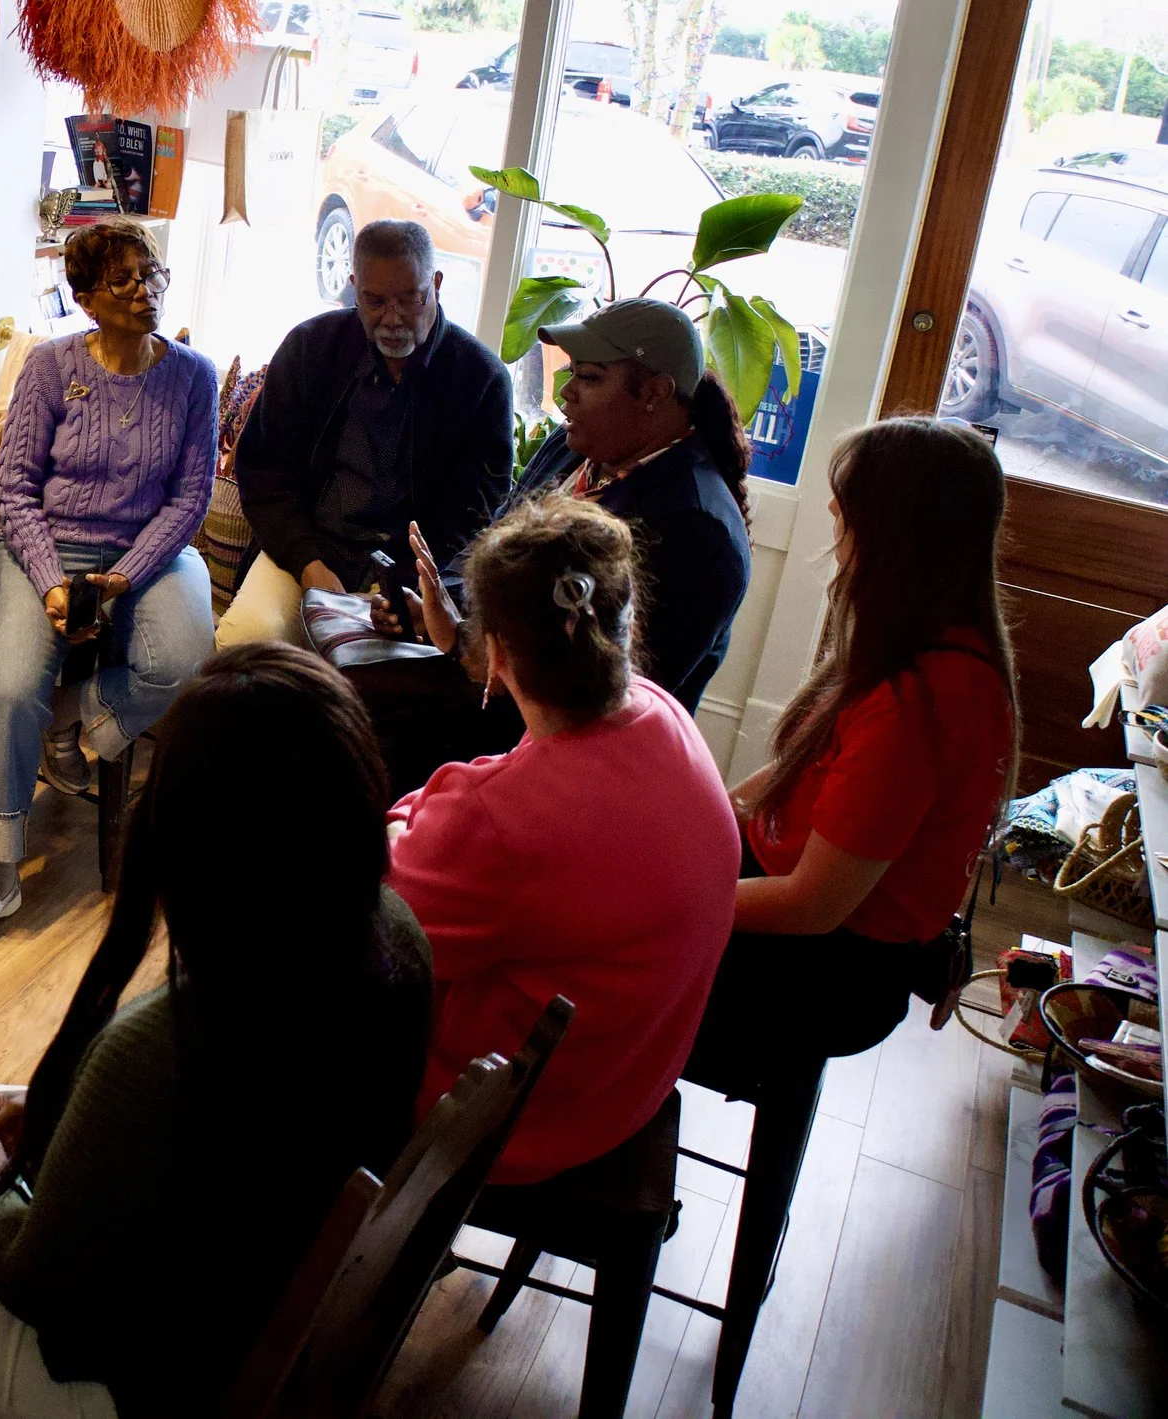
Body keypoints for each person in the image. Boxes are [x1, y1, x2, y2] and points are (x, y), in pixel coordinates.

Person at [0, 645, 431, 1419]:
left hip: (132, 1385)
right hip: (248, 1286)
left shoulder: (164, 1050)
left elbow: (35, 1278)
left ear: (189, 837)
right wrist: (57, 1119)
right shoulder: (391, 934)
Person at [385, 495, 737, 1184]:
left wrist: (408, 812)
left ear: (496, 655)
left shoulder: (498, 821)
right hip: (628, 1075)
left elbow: (376, 907)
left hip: (513, 1114)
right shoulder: (661, 713)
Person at [692, 417, 1017, 1078]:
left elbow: (811, 905)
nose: (834, 535)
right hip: (811, 928)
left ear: (896, 538)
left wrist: (677, 899)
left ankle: (595, 1141)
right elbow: (803, 771)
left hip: (821, 972)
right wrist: (711, 815)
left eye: (845, 518)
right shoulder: (937, 648)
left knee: (587, 956)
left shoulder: (920, 702)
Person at [363, 297, 754, 792]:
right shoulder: (575, 449)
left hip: (555, 762)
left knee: (348, 726)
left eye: (589, 377)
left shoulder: (696, 528)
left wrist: (463, 638)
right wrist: (432, 609)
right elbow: (501, 556)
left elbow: (596, 700)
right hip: (486, 692)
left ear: (655, 392)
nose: (565, 392)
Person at [0, 218, 217, 948]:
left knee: (188, 657)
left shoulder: (192, 376)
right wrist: (50, 583)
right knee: (7, 690)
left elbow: (190, 498)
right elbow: (14, 490)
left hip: (148, 552)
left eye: (152, 275)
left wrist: (125, 576)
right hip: (41, 547)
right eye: (123, 280)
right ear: (84, 297)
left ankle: (70, 717)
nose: (145, 291)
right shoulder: (49, 366)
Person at [215, 218, 511, 648]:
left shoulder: (480, 379)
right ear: (354, 286)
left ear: (437, 284)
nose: (392, 320)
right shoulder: (311, 348)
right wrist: (309, 564)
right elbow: (265, 472)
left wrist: (404, 586)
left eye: (410, 299)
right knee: (248, 640)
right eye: (374, 302)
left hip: (411, 573)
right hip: (308, 549)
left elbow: (470, 512)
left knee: (382, 685)